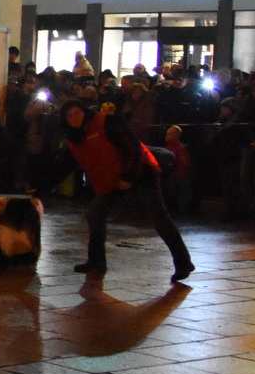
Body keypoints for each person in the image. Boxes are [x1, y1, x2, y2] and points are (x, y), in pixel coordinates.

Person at [58, 98, 193, 283]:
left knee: (159, 218)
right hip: (114, 178)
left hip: (140, 171)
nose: (74, 118)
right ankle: (96, 262)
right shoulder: (74, 139)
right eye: (69, 116)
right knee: (95, 215)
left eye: (77, 113)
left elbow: (132, 148)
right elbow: (62, 167)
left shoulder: (108, 122)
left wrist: (128, 176)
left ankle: (183, 262)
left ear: (84, 112)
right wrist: (39, 189)